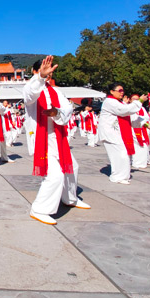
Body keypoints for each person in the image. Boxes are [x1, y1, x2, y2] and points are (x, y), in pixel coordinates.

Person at [23, 56, 90, 225]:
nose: (49, 72)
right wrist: (39, 77)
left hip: (56, 136)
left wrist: (57, 112)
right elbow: (30, 95)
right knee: (55, 176)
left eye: (51, 69)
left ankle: (70, 198)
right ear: (34, 71)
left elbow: (67, 107)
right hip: (41, 137)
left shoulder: (55, 91)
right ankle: (39, 209)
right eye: (45, 68)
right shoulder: (31, 86)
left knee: (72, 167)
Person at [98, 83, 147, 184]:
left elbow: (130, 114)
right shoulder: (109, 101)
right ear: (112, 91)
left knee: (123, 154)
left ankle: (122, 176)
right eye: (119, 91)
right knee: (120, 155)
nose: (122, 93)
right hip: (111, 132)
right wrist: (139, 101)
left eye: (123, 91)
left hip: (118, 133)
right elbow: (123, 111)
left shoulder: (119, 102)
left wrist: (143, 122)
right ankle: (117, 176)